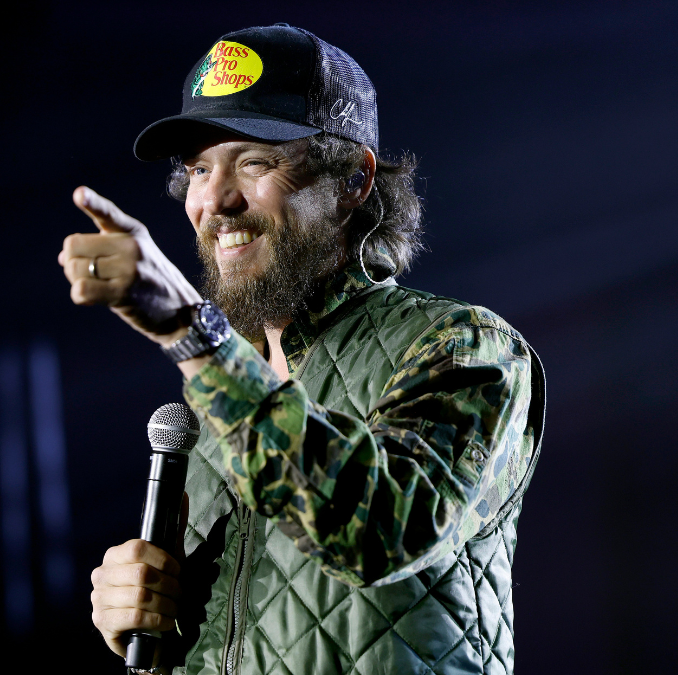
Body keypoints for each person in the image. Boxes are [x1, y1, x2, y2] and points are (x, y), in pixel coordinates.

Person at [60, 24, 546, 675]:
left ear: (353, 180)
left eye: (255, 162)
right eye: (199, 168)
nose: (215, 200)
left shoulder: (464, 348)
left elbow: (383, 533)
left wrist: (190, 330)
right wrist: (142, 620)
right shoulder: (214, 396)